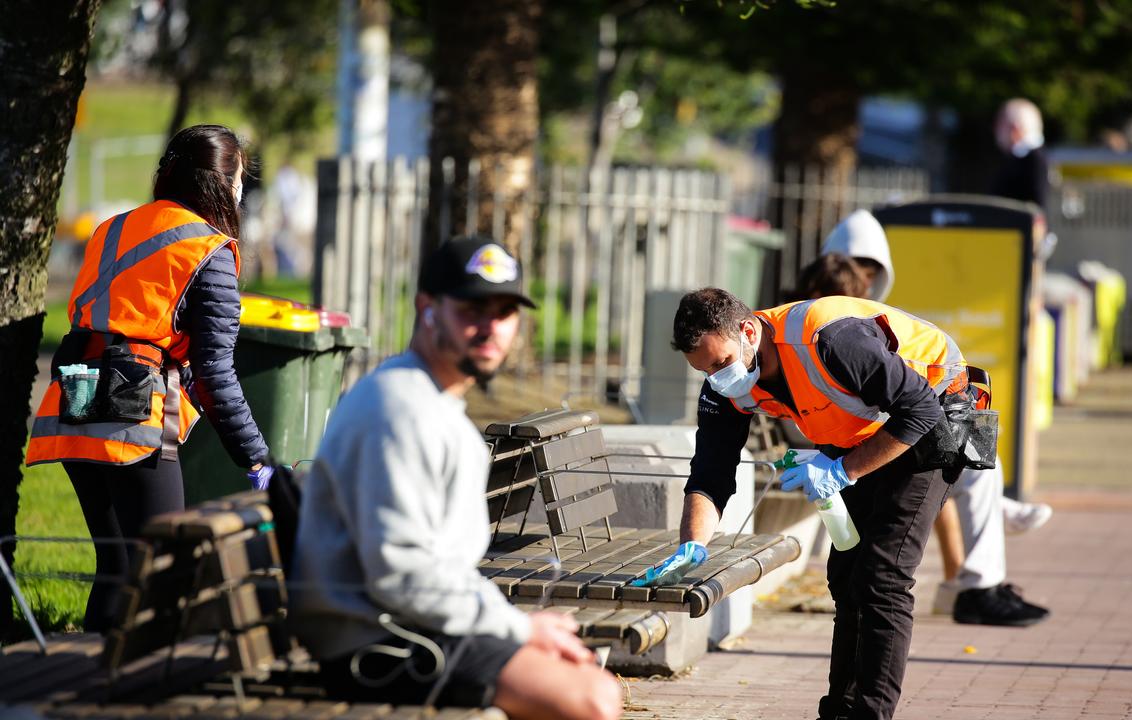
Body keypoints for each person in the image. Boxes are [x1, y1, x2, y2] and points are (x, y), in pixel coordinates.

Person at [288, 236, 621, 720]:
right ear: (428, 308)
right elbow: (402, 572)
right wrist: (520, 630)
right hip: (378, 647)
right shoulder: (398, 409)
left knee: (589, 674)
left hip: (416, 627)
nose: (490, 327)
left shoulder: (432, 403)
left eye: (505, 312)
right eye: (472, 308)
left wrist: (513, 625)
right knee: (592, 699)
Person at [661, 285, 973, 720]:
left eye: (722, 363)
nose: (717, 377)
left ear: (749, 331)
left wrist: (843, 471)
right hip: (865, 435)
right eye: (705, 371)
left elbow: (919, 410)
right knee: (846, 577)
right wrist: (692, 544)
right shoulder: (722, 386)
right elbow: (711, 472)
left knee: (882, 576)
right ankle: (839, 711)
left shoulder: (829, 339)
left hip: (937, 411)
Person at [26, 125, 273, 632]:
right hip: (131, 410)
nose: (242, 191)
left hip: (75, 393)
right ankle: (134, 689)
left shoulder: (112, 227)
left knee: (118, 566)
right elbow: (216, 373)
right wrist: (256, 457)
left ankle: (92, 683)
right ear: (225, 184)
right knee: (160, 566)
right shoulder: (209, 248)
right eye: (241, 179)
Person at [811, 212, 1051, 627]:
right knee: (966, 459)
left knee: (974, 443)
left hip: (882, 433)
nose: (864, 283)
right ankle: (976, 581)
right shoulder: (822, 326)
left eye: (870, 274)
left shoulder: (861, 320)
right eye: (857, 273)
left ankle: (977, 573)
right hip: (853, 448)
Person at [991, 98, 1049, 210]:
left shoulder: (1033, 159)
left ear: (1015, 128)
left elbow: (1036, 207)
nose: (996, 131)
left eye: (1000, 125)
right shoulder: (1017, 157)